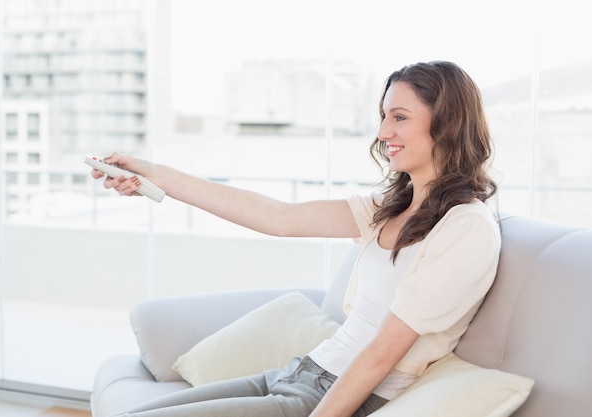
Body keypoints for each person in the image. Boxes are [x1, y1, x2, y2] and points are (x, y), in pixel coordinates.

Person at [91, 60, 501, 417]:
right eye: (383, 116)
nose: (381, 132)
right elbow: (278, 217)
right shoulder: (391, 205)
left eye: (399, 117)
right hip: (303, 372)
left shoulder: (466, 227)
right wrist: (154, 173)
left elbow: (381, 355)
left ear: (447, 122)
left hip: (341, 397)